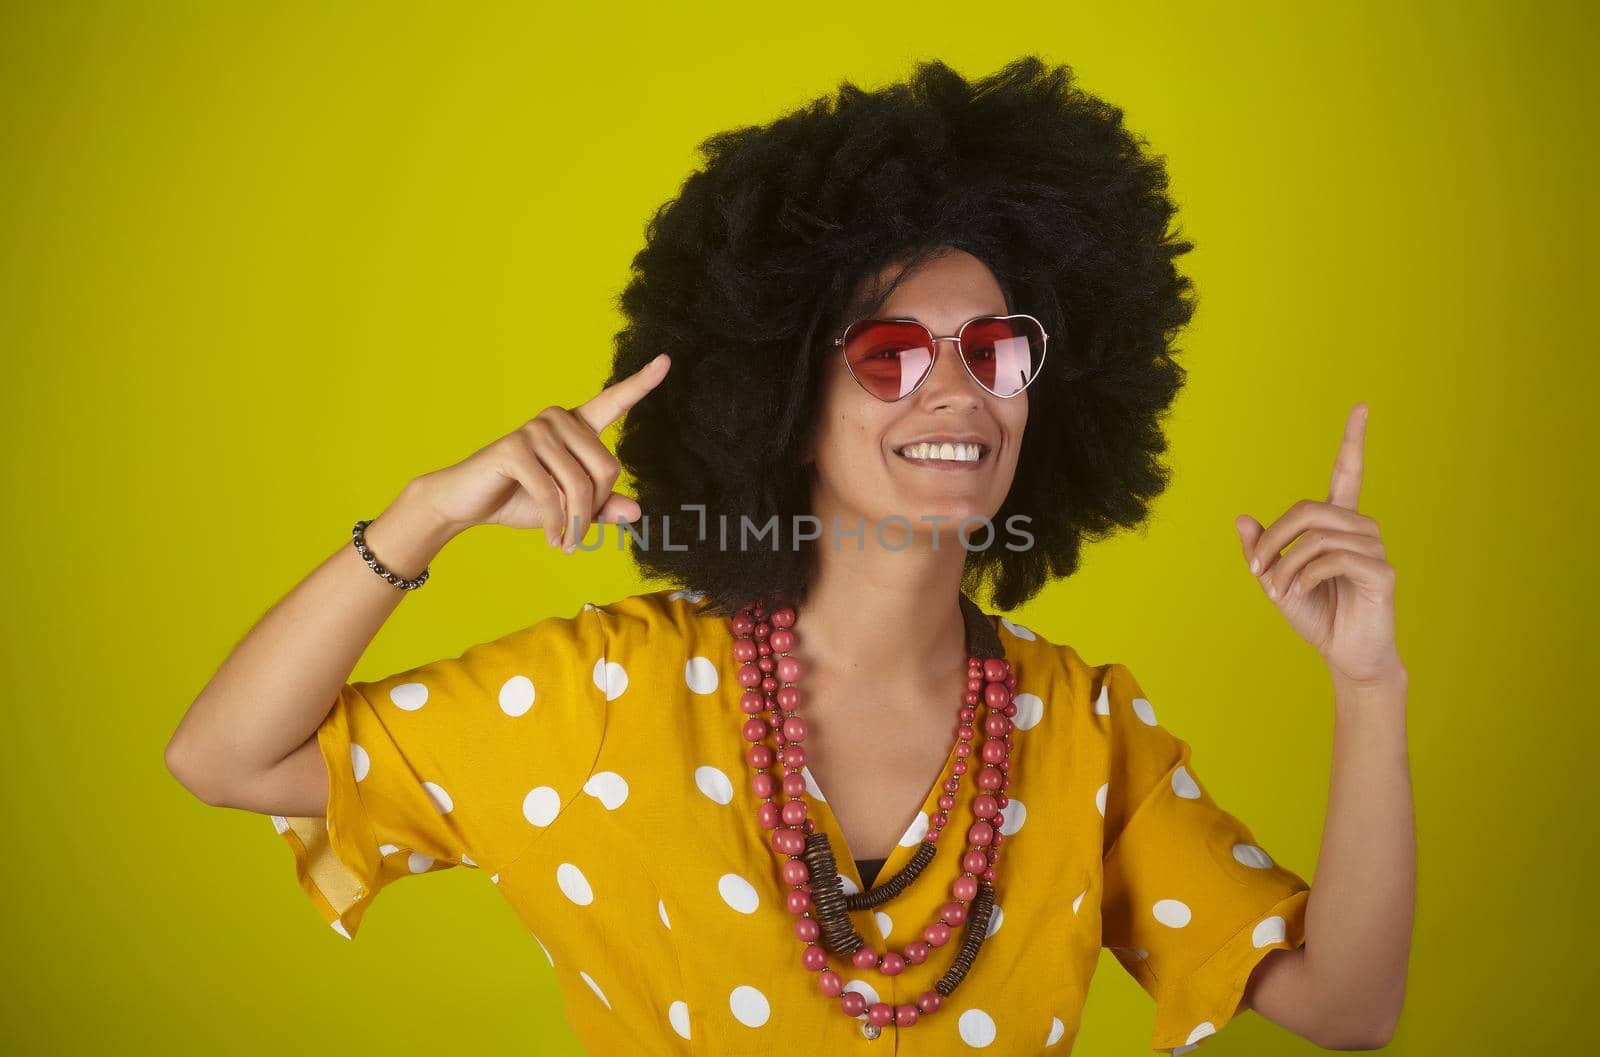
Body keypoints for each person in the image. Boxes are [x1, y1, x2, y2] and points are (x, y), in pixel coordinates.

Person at [166, 55, 1411, 1055]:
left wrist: (1368, 685)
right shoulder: (607, 696)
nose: (956, 392)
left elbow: (1344, 1007)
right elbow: (226, 756)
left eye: (994, 350)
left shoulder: (1079, 732)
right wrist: (421, 514)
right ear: (783, 403)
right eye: (889, 355)